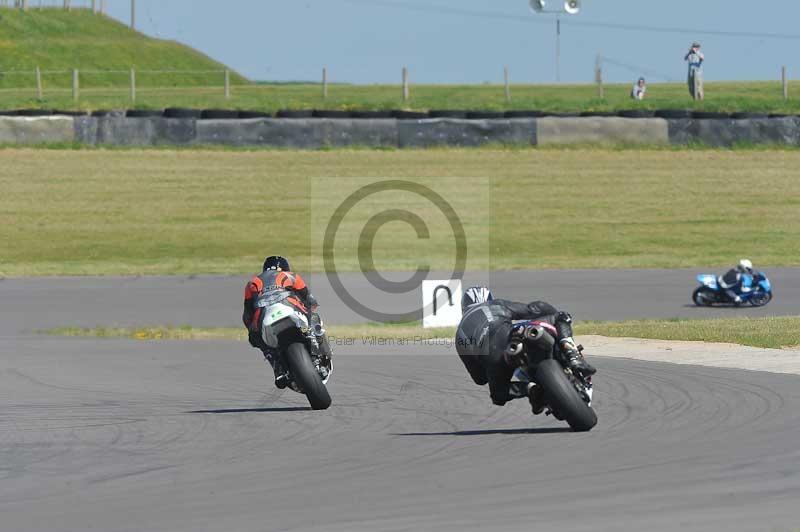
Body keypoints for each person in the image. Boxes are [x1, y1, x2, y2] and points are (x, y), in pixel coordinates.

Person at [455, 286, 595, 411]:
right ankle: (573, 355)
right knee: (561, 317)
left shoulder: (459, 336)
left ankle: (531, 389)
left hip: (494, 360)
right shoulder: (494, 305)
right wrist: (552, 312)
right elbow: (534, 308)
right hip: (510, 336)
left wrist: (494, 371)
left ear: (463, 308)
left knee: (498, 395)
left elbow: (480, 379)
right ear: (488, 299)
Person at [243, 256, 332, 389]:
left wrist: (252, 329)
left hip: (264, 314)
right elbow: (309, 300)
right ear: (285, 267)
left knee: (254, 338)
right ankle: (315, 339)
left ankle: (277, 367)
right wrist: (310, 307)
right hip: (288, 306)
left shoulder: (252, 283)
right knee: (314, 317)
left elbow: (247, 315)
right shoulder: (290, 275)